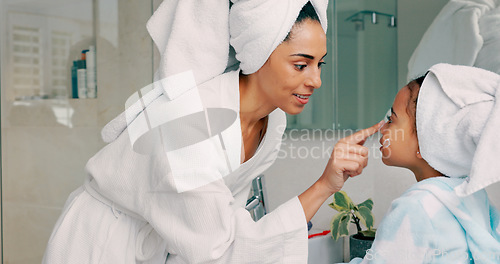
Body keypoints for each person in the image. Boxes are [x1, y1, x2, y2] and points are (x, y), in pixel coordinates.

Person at [43, 1, 382, 263]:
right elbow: (221, 250)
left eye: (319, 64)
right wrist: (323, 185)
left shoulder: (271, 123)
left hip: (166, 246)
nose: (315, 80)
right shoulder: (191, 122)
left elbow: (228, 231)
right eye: (300, 64)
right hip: (101, 245)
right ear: (259, 54)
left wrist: (327, 184)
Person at [347, 63, 500, 263]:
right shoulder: (472, 198)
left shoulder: (415, 207)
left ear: (427, 142)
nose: (382, 128)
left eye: (391, 120)